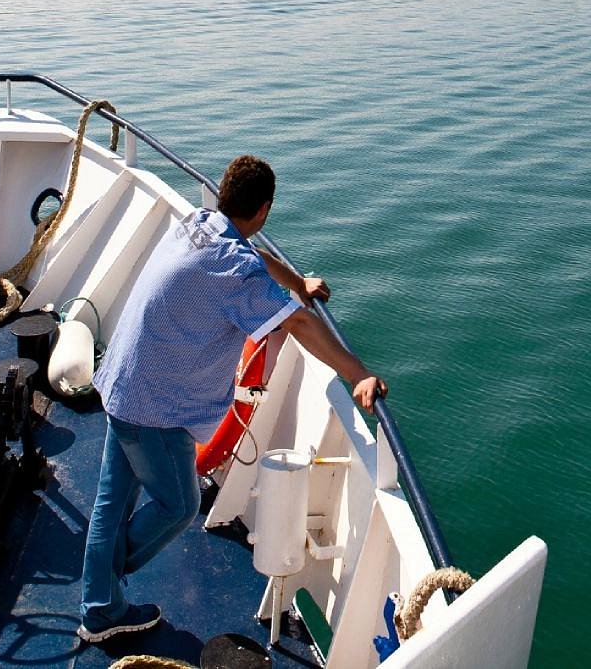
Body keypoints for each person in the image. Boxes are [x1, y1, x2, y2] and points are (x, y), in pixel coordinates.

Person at [78, 154, 386, 643]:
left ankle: (99, 605)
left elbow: (258, 259)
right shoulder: (236, 271)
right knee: (180, 505)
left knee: (111, 504)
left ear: (223, 193)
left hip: (121, 378)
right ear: (264, 208)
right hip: (155, 408)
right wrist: (358, 372)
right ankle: (105, 587)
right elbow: (299, 323)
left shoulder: (200, 224)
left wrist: (297, 283)